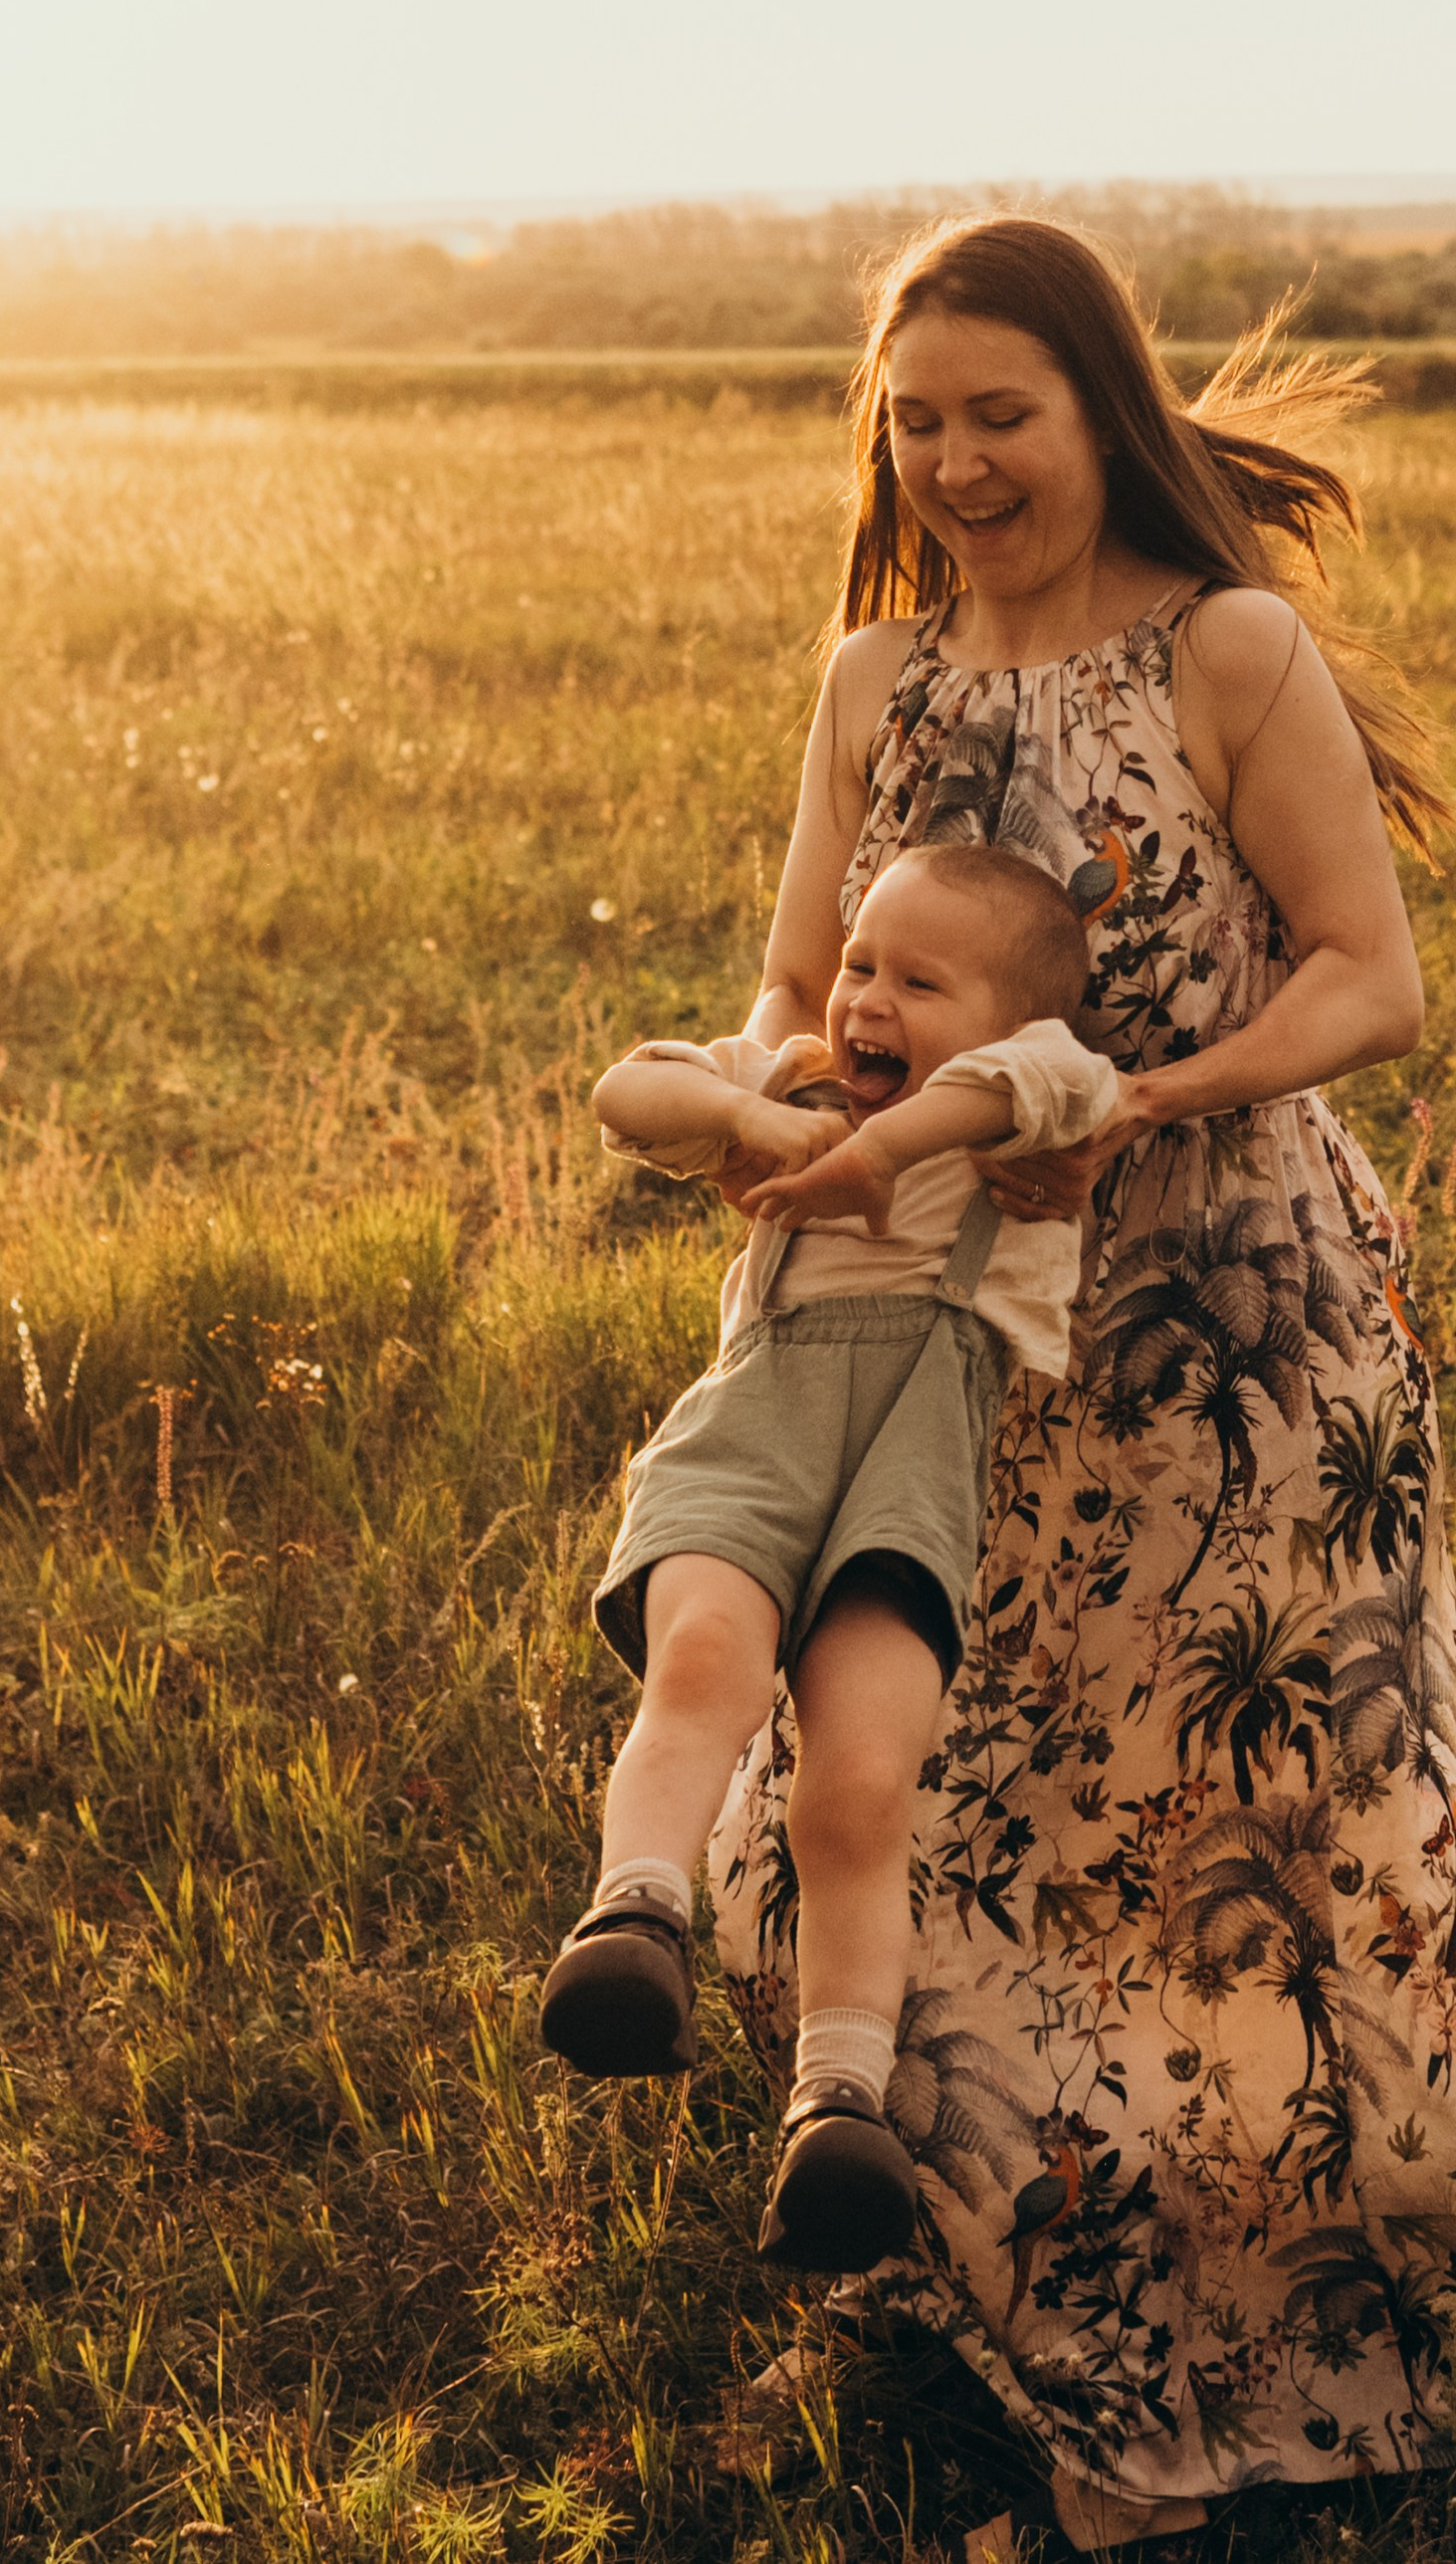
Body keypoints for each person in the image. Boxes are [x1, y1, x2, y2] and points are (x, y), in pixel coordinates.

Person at [704, 217, 1456, 2549]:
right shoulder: (873, 680)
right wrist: (755, 1092)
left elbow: (1367, 979)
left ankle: (1309, 2327)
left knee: (1256, 1832)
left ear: (1103, 410)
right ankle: (1040, 2305)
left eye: (999, 412)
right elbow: (796, 978)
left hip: (1231, 1338)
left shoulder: (1225, 648)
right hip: (933, 1335)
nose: (954, 460)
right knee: (974, 1810)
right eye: (916, 418)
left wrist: (1137, 1100)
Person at [539, 841, 1120, 2273]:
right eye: (861, 962)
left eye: (919, 981)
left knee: (860, 1781)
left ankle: (840, 2106)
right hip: (751, 1435)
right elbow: (626, 1097)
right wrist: (761, 1116)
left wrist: (886, 1149)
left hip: (911, 1469)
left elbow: (1044, 1081)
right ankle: (634, 1922)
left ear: (1005, 1023)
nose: (864, 999)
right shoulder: (792, 1081)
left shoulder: (1028, 1108)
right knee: (703, 1660)